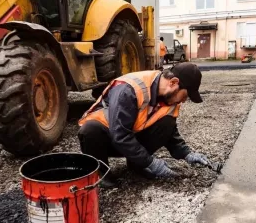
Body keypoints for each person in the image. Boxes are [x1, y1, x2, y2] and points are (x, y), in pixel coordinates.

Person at [78, 63, 211, 188]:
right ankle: (101, 174)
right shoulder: (128, 89)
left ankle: (137, 164)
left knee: (167, 122)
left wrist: (187, 154)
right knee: (90, 130)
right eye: (185, 95)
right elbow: (120, 135)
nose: (184, 100)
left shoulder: (168, 99)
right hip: (108, 139)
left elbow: (170, 132)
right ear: (173, 82)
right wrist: (151, 163)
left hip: (129, 136)